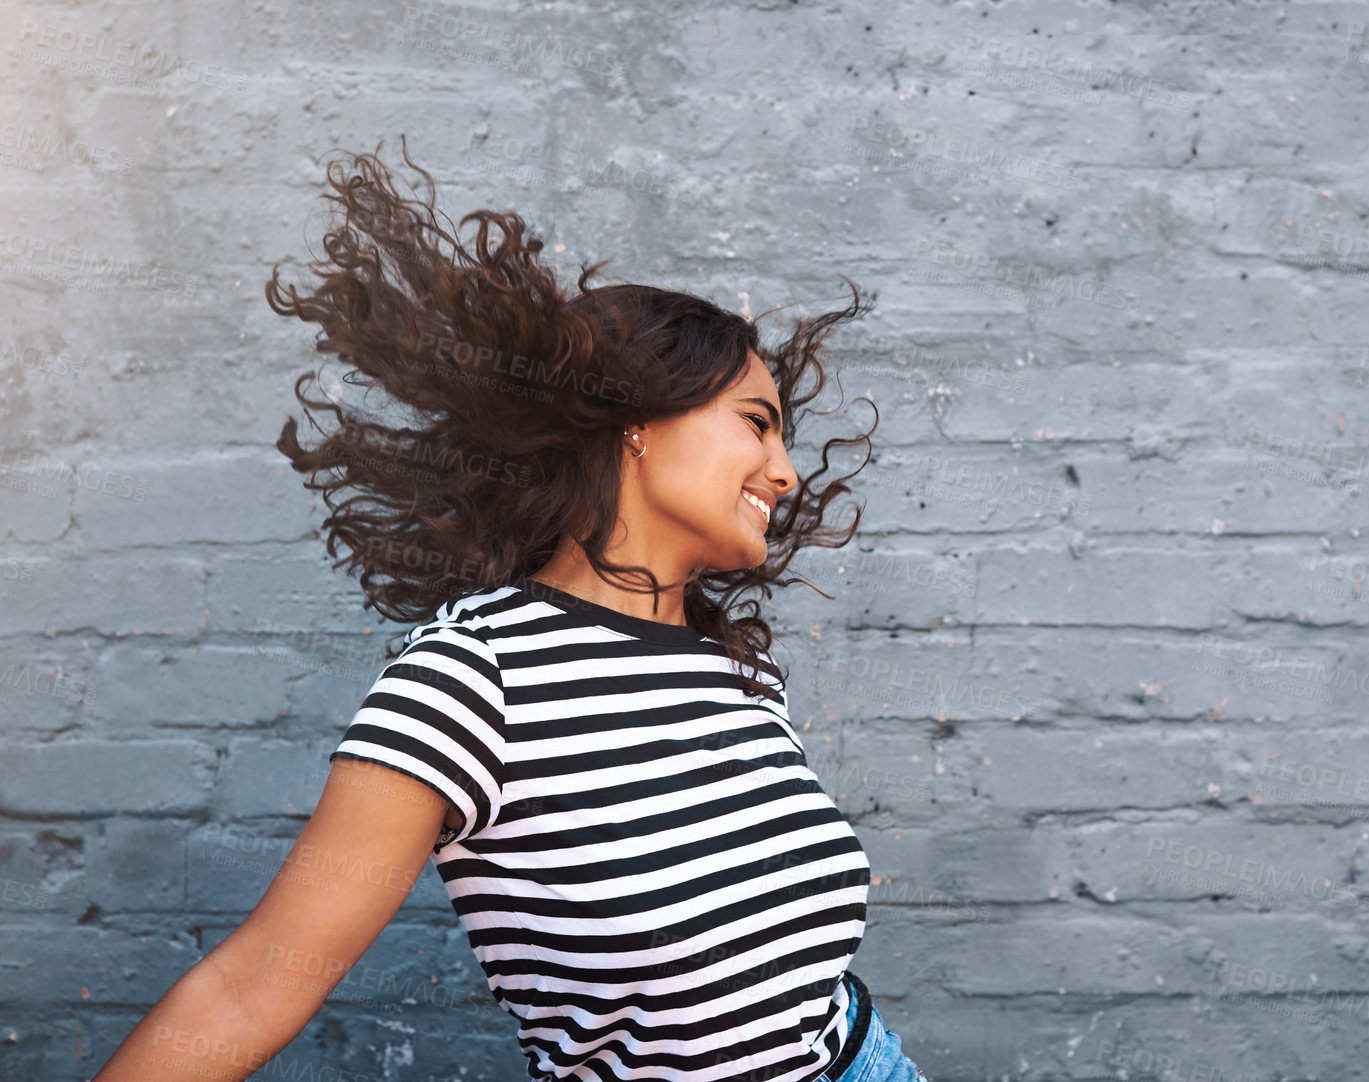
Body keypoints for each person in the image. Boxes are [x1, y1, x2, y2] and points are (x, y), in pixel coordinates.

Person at [90, 138, 928, 1082]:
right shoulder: (474, 677)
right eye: (757, 422)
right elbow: (253, 986)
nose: (785, 471)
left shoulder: (734, 670)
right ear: (635, 421)